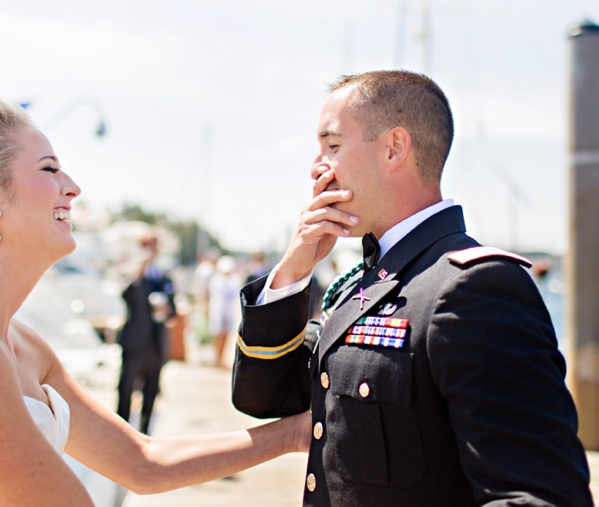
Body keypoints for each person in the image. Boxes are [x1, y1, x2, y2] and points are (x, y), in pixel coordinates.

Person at [0, 97, 311, 506]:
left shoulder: (20, 344)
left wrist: (295, 433)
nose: (73, 186)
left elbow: (143, 463)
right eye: (49, 169)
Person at [231, 71, 592, 506]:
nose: (316, 166)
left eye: (333, 145)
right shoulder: (359, 286)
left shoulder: (475, 287)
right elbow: (264, 396)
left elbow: (537, 496)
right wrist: (293, 269)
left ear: (394, 149)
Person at [117, 234, 174, 435]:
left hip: (155, 346)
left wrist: (166, 308)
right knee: (125, 391)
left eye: (154, 246)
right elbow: (126, 296)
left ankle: (145, 433)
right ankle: (121, 433)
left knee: (150, 393)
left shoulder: (163, 278)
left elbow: (173, 312)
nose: (151, 250)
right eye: (147, 246)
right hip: (134, 344)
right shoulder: (133, 275)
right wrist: (140, 267)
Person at [208, 255, 240, 367]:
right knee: (217, 334)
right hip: (218, 310)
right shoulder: (216, 280)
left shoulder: (234, 281)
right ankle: (216, 358)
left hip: (228, 311)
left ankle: (221, 358)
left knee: (226, 334)